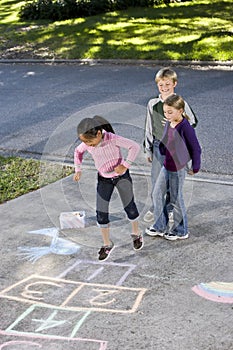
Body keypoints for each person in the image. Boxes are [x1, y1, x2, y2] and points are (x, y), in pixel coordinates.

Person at [73, 115, 143, 261]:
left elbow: (134, 147)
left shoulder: (112, 138)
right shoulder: (87, 144)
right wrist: (78, 169)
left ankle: (136, 234)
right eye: (84, 142)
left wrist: (125, 165)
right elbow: (77, 152)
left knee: (129, 207)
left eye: (89, 141)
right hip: (104, 178)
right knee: (101, 212)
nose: (87, 144)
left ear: (98, 134)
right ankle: (107, 244)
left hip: (121, 177)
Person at [144, 67, 198, 223]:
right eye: (161, 85)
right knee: (156, 179)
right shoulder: (153, 104)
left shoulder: (180, 102)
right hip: (157, 146)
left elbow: (192, 121)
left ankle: (171, 208)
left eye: (167, 84)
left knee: (172, 180)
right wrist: (147, 149)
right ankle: (156, 207)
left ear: (174, 84)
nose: (164, 88)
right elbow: (149, 126)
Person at [145, 94, 201, 240]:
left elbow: (196, 148)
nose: (167, 115)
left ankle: (181, 230)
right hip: (166, 165)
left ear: (181, 110)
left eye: (170, 112)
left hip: (178, 168)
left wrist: (195, 166)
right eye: (165, 112)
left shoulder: (185, 127)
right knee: (157, 194)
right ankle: (160, 226)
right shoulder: (169, 123)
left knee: (176, 198)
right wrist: (161, 152)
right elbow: (165, 140)